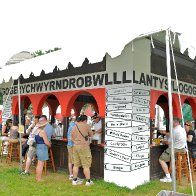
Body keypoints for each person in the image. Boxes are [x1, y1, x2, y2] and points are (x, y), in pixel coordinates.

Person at [159, 117, 186, 183]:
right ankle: (170, 174)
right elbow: (171, 135)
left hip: (174, 149)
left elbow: (169, 142)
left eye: (172, 122)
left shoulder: (175, 130)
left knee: (161, 159)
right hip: (182, 149)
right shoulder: (182, 129)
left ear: (175, 123)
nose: (171, 124)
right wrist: (164, 133)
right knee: (169, 159)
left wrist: (163, 141)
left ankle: (168, 177)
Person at [70, 115, 94, 186]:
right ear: (85, 120)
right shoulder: (86, 126)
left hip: (75, 146)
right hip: (84, 147)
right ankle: (88, 181)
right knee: (86, 165)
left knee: (76, 164)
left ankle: (74, 181)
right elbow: (91, 135)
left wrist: (76, 142)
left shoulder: (75, 126)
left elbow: (71, 137)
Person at [35, 118, 51, 182]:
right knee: (41, 164)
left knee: (39, 163)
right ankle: (39, 178)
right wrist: (49, 145)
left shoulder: (37, 130)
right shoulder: (42, 132)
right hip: (42, 147)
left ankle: (37, 177)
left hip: (38, 146)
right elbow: (46, 142)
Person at [67, 116, 76, 180]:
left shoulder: (71, 125)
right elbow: (71, 137)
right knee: (73, 160)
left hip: (70, 144)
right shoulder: (74, 126)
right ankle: (73, 175)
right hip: (72, 145)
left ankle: (71, 174)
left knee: (70, 160)